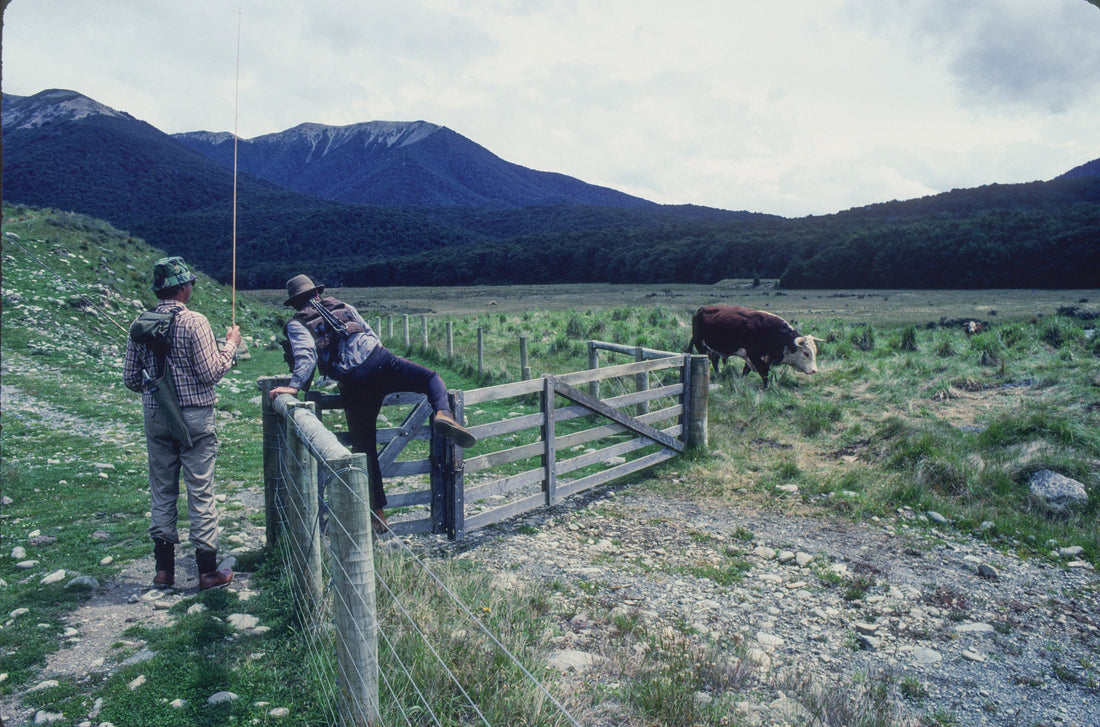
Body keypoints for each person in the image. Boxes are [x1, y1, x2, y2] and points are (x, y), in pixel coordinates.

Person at [269, 274, 477, 533]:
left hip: (354, 380)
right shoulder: (343, 306)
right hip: (380, 358)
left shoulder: (297, 323)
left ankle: (377, 514)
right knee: (430, 377)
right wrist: (384, 361)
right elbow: (369, 332)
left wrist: (294, 386)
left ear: (294, 303)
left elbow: (305, 356)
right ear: (317, 294)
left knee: (364, 445)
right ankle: (442, 414)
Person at [124, 256, 241, 590]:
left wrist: (154, 383)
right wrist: (230, 345)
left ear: (160, 289)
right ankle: (207, 572)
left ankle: (164, 572)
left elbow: (131, 379)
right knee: (200, 491)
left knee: (162, 490)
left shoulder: (140, 323)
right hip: (194, 418)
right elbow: (211, 373)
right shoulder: (196, 322)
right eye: (190, 283)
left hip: (156, 417)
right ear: (183, 288)